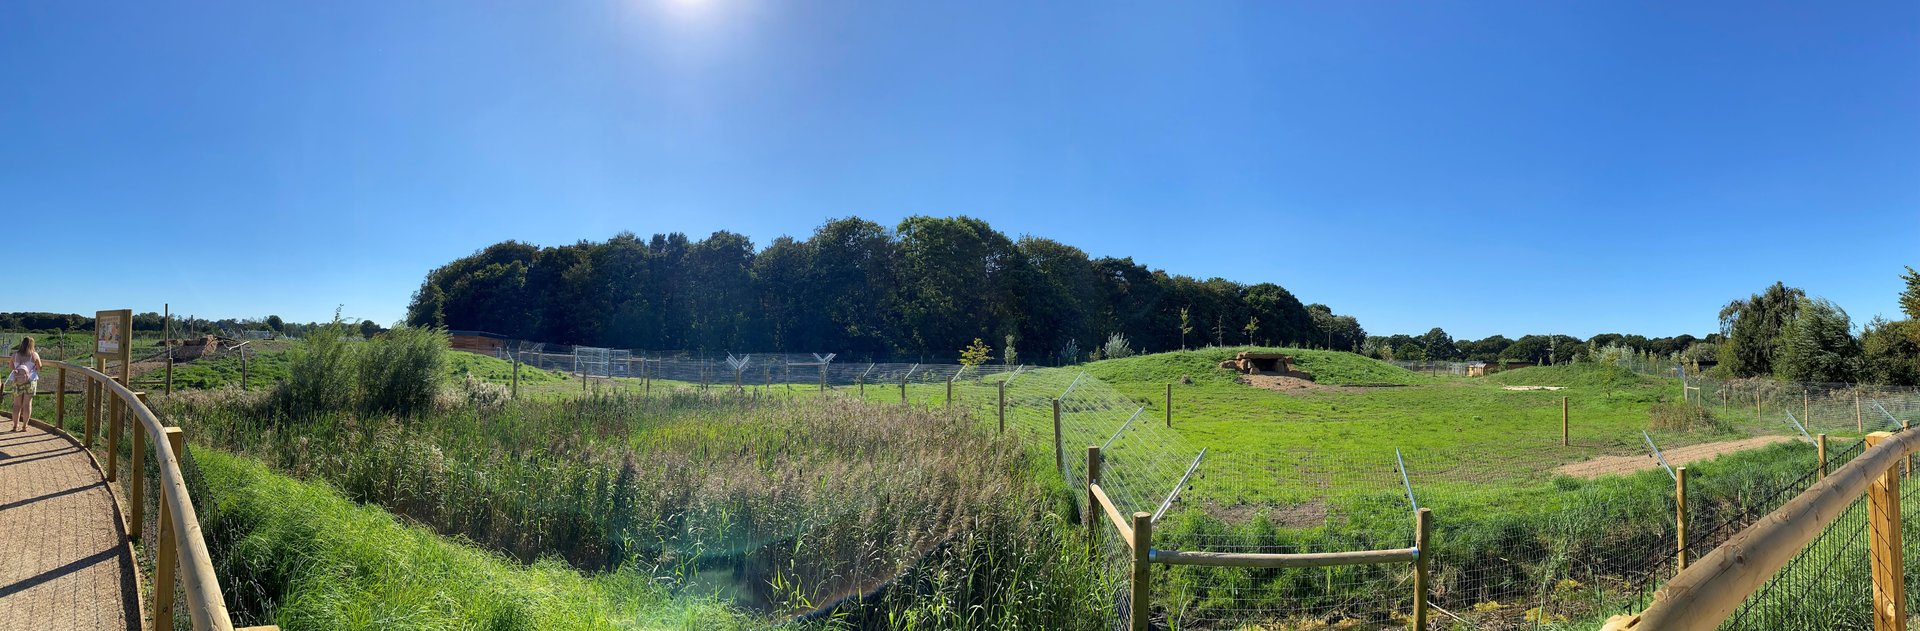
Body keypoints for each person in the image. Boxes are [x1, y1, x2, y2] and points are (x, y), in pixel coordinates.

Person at [10, 337, 41, 432]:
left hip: (17, 381)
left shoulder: (15, 354)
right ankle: (24, 426)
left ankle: (15, 426)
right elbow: (40, 366)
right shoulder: (34, 354)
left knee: (16, 404)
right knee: (27, 404)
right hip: (30, 381)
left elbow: (11, 366)